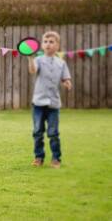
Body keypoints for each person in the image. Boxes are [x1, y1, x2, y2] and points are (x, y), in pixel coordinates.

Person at [28, 31, 71, 168]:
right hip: (38, 103)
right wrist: (30, 58)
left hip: (54, 104)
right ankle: (38, 157)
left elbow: (66, 79)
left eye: (51, 42)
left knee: (53, 133)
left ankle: (56, 159)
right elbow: (33, 70)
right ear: (42, 45)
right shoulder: (38, 60)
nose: (48, 44)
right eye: (46, 41)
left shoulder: (61, 63)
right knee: (37, 132)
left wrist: (67, 83)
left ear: (57, 45)